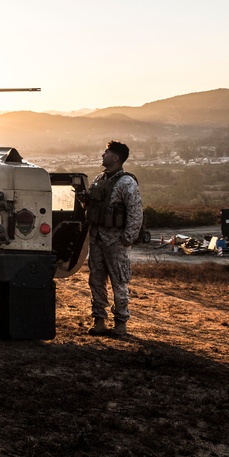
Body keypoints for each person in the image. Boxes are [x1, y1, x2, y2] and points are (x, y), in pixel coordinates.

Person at [83, 140, 143, 336]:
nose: (103, 155)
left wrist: (127, 238)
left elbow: (136, 212)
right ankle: (99, 320)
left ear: (116, 157)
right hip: (98, 238)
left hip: (115, 241)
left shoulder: (127, 182)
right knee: (96, 280)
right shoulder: (100, 178)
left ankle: (120, 323)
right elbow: (91, 203)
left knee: (119, 282)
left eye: (106, 152)